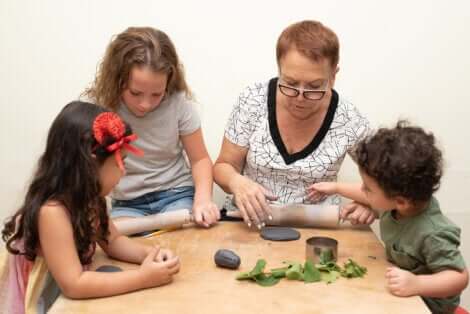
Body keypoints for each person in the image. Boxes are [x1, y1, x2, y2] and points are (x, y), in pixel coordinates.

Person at [0, 101, 180, 313]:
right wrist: (143, 278)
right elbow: (74, 284)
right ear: (90, 164)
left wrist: (150, 255)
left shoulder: (90, 198)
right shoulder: (52, 212)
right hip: (44, 301)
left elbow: (113, 241)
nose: (123, 172)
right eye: (119, 162)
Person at [213, 20, 372, 229]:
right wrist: (237, 182)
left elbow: (389, 183)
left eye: (314, 87)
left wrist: (371, 204)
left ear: (333, 76)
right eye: (290, 83)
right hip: (248, 222)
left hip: (316, 228)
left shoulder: (349, 119)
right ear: (279, 70)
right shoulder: (253, 100)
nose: (300, 97)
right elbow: (223, 166)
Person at [310, 121, 468, 313]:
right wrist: (336, 188)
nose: (362, 191)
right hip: (400, 293)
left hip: (427, 306)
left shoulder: (434, 232)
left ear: (400, 201)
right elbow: (368, 197)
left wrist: (417, 284)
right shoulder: (399, 205)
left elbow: (459, 277)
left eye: (367, 188)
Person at [83, 27, 219, 234]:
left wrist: (203, 201)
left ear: (169, 80)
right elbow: (85, 168)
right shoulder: (99, 109)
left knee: (184, 245)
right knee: (120, 247)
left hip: (177, 195)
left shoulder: (178, 103)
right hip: (127, 204)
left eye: (157, 94)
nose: (145, 104)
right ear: (117, 79)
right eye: (136, 93)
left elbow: (200, 159)